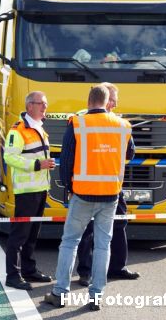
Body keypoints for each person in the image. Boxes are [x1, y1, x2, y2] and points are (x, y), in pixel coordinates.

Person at [44, 84, 134, 311]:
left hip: (82, 193)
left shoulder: (77, 122)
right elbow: (130, 153)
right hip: (111, 194)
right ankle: (96, 295)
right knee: (103, 245)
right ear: (107, 102)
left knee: (70, 242)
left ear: (89, 100)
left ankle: (60, 292)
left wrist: (67, 187)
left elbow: (66, 159)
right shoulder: (123, 125)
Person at [76, 82, 139, 287]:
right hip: (88, 186)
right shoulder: (82, 119)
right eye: (112, 100)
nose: (114, 104)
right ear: (103, 99)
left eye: (115, 101)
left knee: (119, 223)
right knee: (87, 230)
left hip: (113, 184)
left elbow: (130, 151)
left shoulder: (118, 123)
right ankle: (85, 272)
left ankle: (117, 267)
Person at [3, 91, 55, 290]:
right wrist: (37, 165)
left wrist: (43, 166)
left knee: (32, 234)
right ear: (29, 106)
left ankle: (29, 270)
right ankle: (13, 275)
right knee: (19, 235)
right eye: (41, 103)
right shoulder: (18, 130)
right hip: (26, 192)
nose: (45, 107)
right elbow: (9, 157)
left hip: (40, 189)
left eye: (45, 104)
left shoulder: (39, 128)